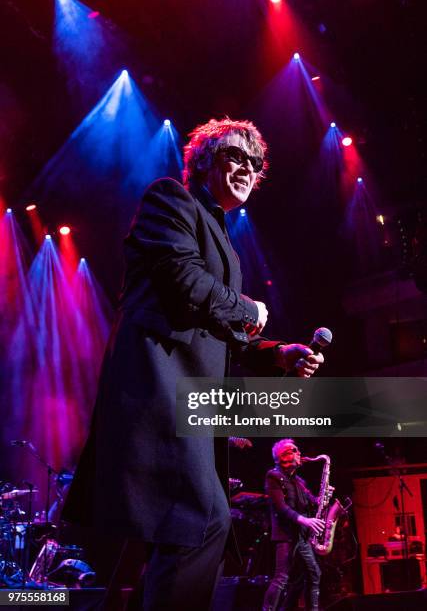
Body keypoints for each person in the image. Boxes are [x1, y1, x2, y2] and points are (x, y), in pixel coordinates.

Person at [63, 118, 324, 610]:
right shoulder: (172, 199)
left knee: (176, 531)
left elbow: (219, 333)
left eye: (255, 163)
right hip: (159, 386)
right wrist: (248, 311)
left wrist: (277, 352)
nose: (247, 168)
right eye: (235, 157)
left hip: (195, 402)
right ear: (204, 160)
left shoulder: (226, 242)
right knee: (202, 517)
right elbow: (183, 282)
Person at [262, 439, 325, 611]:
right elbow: (281, 508)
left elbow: (313, 503)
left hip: (302, 536)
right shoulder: (273, 476)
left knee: (314, 574)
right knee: (281, 578)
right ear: (283, 456)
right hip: (286, 535)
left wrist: (323, 497)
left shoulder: (300, 482)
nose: (299, 453)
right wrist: (305, 520)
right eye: (294, 450)